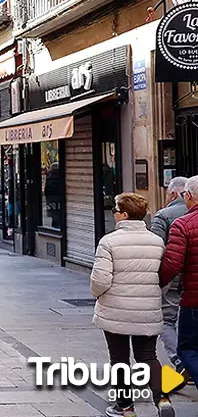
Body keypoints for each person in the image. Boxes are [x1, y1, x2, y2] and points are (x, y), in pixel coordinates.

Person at [91, 193, 173, 417]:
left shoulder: (108, 242)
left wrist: (98, 295)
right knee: (147, 356)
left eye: (115, 211)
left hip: (115, 310)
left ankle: (125, 407)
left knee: (119, 359)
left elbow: (100, 280)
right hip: (147, 309)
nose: (114, 214)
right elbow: (163, 276)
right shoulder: (157, 242)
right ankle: (162, 398)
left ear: (124, 215)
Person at [161, 176, 198, 393]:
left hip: (193, 301)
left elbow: (172, 263)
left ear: (189, 195)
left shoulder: (183, 224)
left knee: (188, 350)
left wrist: (158, 283)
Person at [154, 176, 191, 379]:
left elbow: (156, 248)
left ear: (175, 193)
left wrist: (159, 279)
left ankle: (180, 361)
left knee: (167, 320)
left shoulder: (164, 215)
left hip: (172, 276)